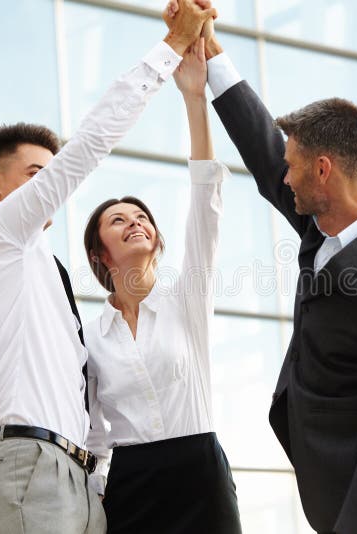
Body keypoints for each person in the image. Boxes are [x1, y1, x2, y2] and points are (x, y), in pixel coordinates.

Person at [165, 5, 357, 533]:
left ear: (324, 170)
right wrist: (211, 49)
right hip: (329, 495)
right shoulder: (322, 222)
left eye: (294, 168)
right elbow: (262, 147)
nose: (283, 178)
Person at [0, 2, 216, 532]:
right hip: (31, 462)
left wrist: (94, 477)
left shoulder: (48, 273)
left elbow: (83, 403)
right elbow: (89, 147)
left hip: (81, 477)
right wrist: (170, 49)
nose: (49, 185)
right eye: (35, 174)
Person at [80, 35, 241, 534]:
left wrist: (194, 99)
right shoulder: (89, 334)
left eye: (141, 215)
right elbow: (91, 430)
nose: (134, 221)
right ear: (99, 254)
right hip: (132, 487)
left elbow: (205, 200)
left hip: (200, 475)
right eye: (117, 220)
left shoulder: (185, 299)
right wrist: (99, 488)